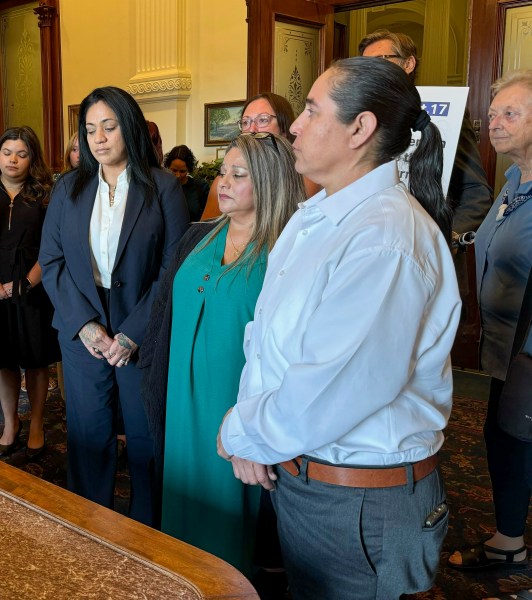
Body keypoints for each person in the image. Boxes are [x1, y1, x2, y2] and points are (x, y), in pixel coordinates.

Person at [218, 57, 460, 599]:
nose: (294, 126)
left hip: (360, 505)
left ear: (360, 128)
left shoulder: (384, 237)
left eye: (310, 110)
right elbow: (268, 342)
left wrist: (243, 432)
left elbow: (333, 384)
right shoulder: (319, 215)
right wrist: (258, 437)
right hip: (314, 482)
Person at [140, 133, 302, 571]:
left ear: (268, 182)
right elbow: (162, 313)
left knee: (232, 521)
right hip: (180, 400)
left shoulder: (285, 252)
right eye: (222, 173)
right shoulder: (199, 236)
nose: (223, 183)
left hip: (237, 408)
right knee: (179, 502)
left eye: (238, 174)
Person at [39, 86, 188, 526]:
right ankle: (90, 528)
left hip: (140, 321)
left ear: (130, 127)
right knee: (88, 435)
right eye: (89, 130)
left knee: (144, 439)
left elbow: (173, 267)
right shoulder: (68, 187)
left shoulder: (162, 187)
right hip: (82, 322)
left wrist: (133, 333)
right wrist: (84, 324)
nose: (98, 139)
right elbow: (52, 262)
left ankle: (149, 533)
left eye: (109, 126)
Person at [448, 70, 532, 577]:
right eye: (492, 114)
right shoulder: (512, 182)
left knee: (517, 443)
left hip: (529, 354)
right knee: (502, 439)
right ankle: (509, 541)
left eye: (510, 114)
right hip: (504, 350)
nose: (494, 124)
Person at [0, 126, 60, 459]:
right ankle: (11, 423)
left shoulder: (46, 195)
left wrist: (26, 282)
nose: (13, 159)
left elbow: (53, 247)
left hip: (34, 289)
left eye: (22, 154)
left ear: (32, 159)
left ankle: (36, 422)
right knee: (4, 362)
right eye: (7, 152)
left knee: (37, 362)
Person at [359, 29, 492, 235]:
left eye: (381, 60)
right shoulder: (359, 116)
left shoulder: (444, 117)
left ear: (408, 64)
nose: (372, 70)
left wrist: (444, 239)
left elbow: (476, 194)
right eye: (366, 65)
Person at [201, 93, 318, 220]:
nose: (252, 129)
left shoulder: (306, 180)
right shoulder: (222, 184)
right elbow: (205, 232)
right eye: (245, 122)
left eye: (263, 120)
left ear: (284, 129)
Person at [164, 145, 211, 222]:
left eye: (182, 171)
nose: (178, 175)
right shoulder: (162, 188)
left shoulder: (200, 187)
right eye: (174, 170)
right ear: (167, 167)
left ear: (188, 169)